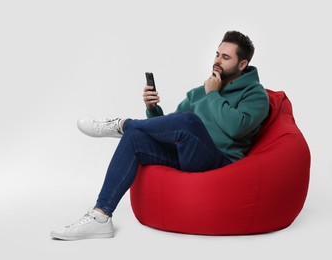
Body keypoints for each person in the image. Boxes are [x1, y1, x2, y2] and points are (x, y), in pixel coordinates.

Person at [50, 30, 270, 241]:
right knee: (135, 138)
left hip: (221, 162)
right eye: (216, 54)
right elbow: (172, 128)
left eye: (225, 57)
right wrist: (153, 109)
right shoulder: (198, 92)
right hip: (188, 156)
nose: (217, 61)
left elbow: (236, 127)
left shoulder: (255, 94)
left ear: (242, 64)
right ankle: (100, 216)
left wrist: (212, 93)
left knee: (188, 121)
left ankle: (123, 124)